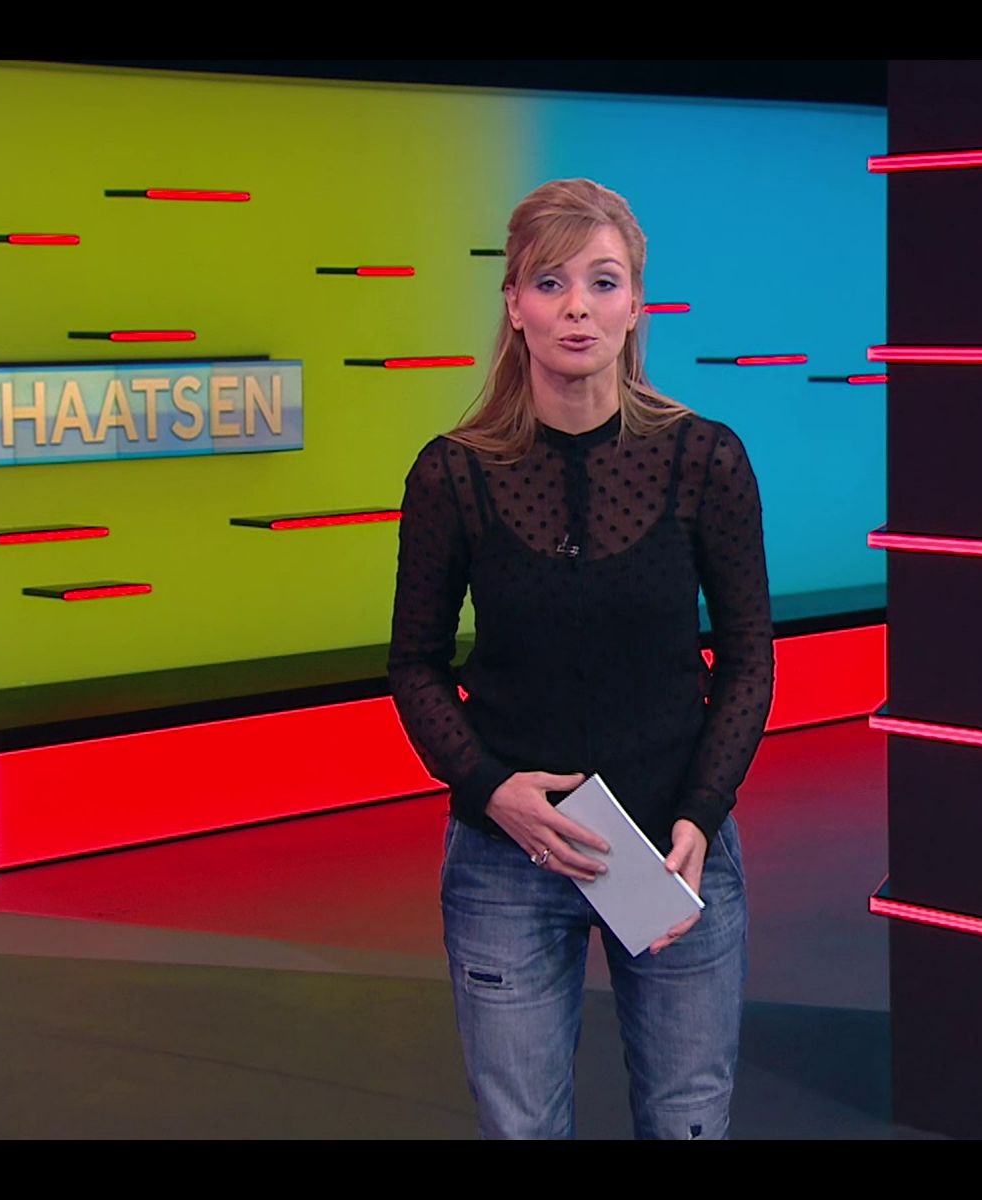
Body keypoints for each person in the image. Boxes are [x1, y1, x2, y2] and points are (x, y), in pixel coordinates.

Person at [387, 178, 774, 1139]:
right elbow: (416, 664)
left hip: (672, 849)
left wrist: (700, 815)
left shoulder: (706, 460)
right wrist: (490, 789)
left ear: (635, 303)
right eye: (550, 283)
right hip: (506, 860)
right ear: (514, 305)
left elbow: (747, 658)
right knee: (521, 1126)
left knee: (687, 1121)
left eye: (602, 282)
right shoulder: (451, 473)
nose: (577, 308)